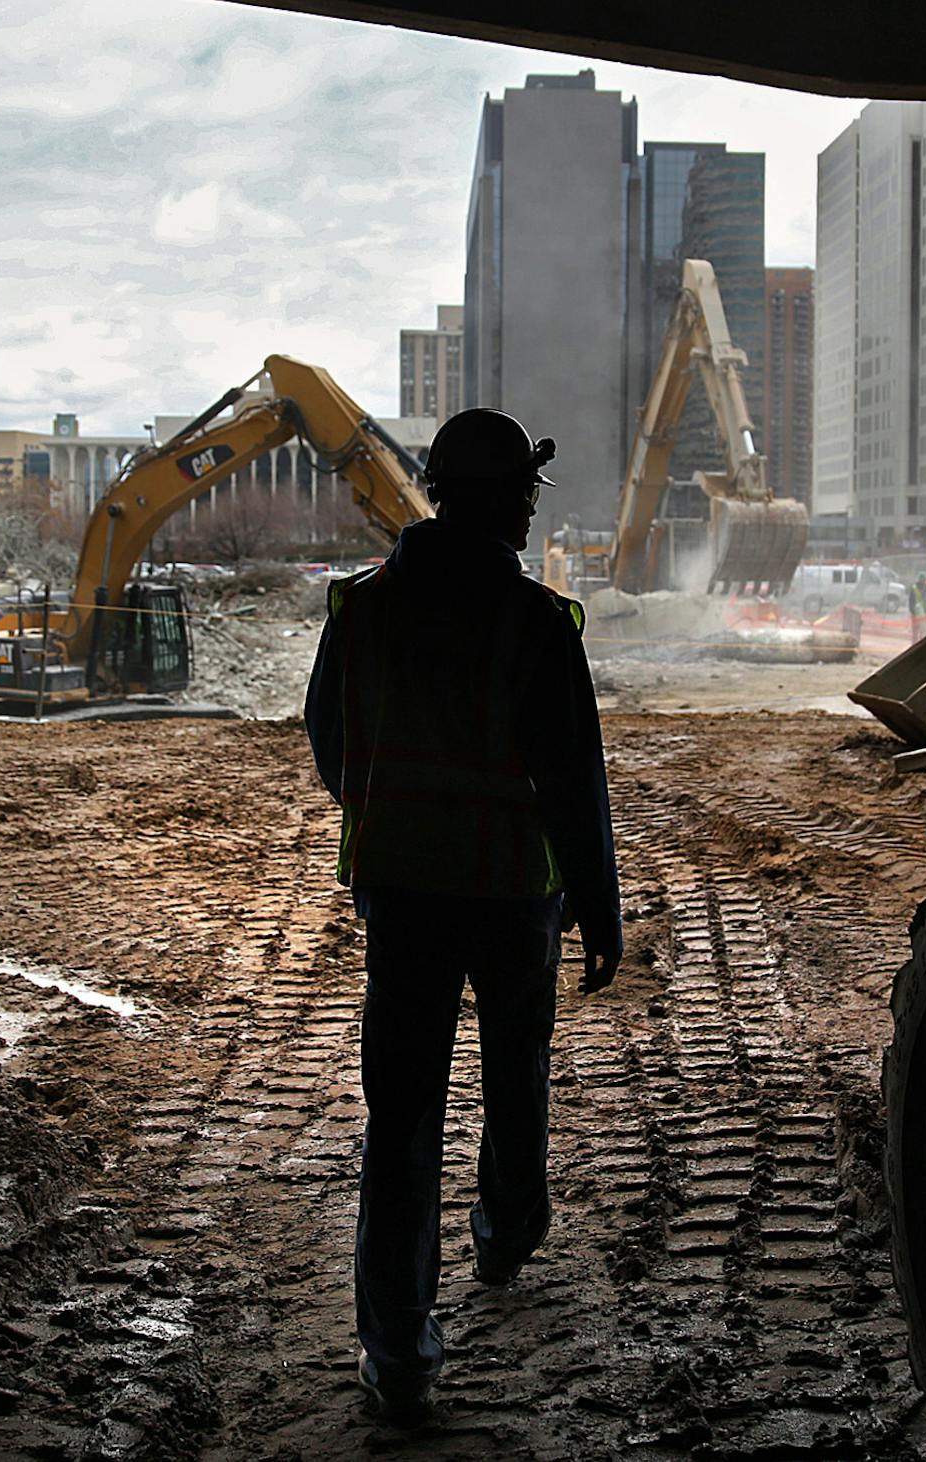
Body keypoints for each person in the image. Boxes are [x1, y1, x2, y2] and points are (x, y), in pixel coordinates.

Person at [304, 407, 622, 1428]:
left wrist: (391, 806)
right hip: (509, 892)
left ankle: (398, 1350)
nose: (531, 514)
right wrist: (600, 905)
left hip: (401, 892)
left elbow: (329, 744)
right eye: (527, 495)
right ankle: (507, 1233)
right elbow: (575, 783)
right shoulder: (535, 622)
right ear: (504, 497)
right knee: (515, 1068)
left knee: (400, 1118)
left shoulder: (360, 610)